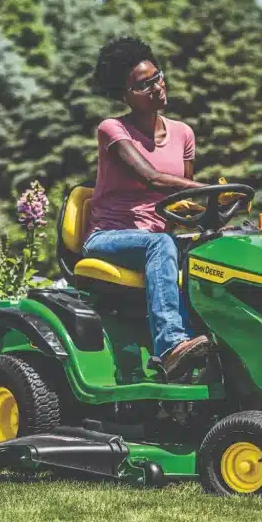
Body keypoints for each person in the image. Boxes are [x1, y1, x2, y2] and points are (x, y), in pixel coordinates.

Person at [83, 36, 211, 379]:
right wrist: (212, 189)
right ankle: (170, 345)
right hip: (109, 238)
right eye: (144, 85)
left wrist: (213, 208)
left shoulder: (183, 134)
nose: (157, 87)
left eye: (157, 77)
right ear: (124, 95)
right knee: (160, 243)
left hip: (160, 238)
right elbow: (152, 178)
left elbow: (181, 201)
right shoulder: (112, 129)